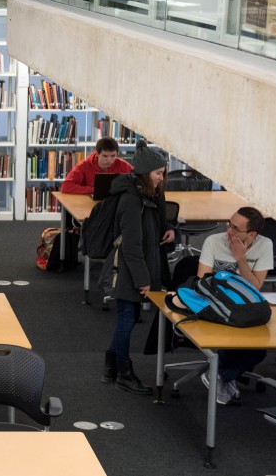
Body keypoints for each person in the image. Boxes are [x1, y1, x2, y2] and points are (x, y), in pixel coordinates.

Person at [99, 140, 176, 395]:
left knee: (127, 318)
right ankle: (124, 373)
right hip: (127, 269)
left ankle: (111, 366)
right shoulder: (131, 201)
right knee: (127, 319)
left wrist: (168, 229)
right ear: (145, 174)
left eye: (163, 173)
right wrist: (144, 280)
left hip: (143, 262)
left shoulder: (151, 190)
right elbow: (131, 246)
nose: (161, 178)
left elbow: (160, 216)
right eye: (158, 173)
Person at [195, 206, 274, 404]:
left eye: (235, 228)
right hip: (215, 305)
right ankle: (223, 375)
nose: (229, 231)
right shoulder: (213, 241)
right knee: (242, 338)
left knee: (260, 349)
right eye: (229, 224)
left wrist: (240, 258)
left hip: (244, 308)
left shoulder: (265, 245)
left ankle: (220, 375)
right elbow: (202, 282)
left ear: (252, 234)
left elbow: (256, 287)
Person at [61, 137, 134, 195]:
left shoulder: (123, 165)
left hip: (116, 203)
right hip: (91, 205)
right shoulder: (84, 165)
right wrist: (94, 190)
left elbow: (139, 182)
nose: (109, 160)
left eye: (113, 156)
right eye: (105, 156)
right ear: (97, 154)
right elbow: (66, 187)